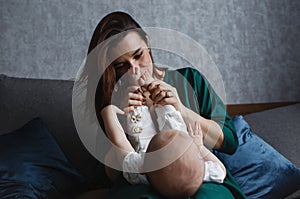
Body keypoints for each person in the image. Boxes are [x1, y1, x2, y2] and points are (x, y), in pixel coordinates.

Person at [85, 11, 246, 198]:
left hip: (199, 178)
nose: (134, 69)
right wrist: (119, 122)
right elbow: (110, 175)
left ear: (147, 41)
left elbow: (229, 141)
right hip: (143, 183)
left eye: (138, 55)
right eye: (121, 66)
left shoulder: (191, 80)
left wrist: (181, 109)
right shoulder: (114, 103)